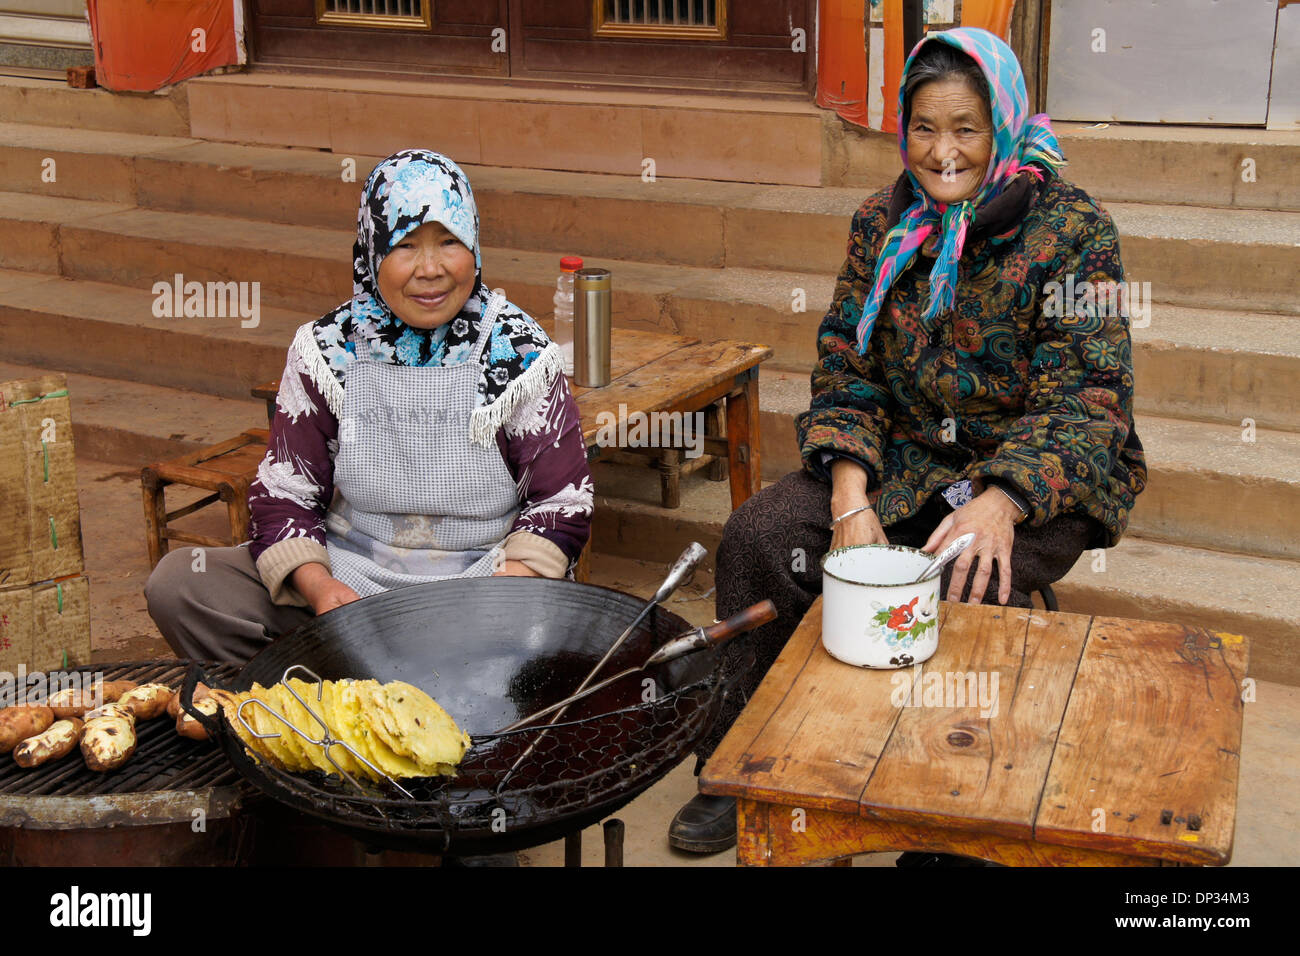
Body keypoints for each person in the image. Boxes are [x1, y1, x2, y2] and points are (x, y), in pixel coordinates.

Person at [668, 27, 1147, 856]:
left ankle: (942, 818)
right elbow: (847, 366)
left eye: (966, 127)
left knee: (960, 581)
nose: (943, 151)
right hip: (905, 460)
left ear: (1001, 125)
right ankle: (743, 767)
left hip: (1040, 481)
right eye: (924, 127)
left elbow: (1087, 396)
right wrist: (850, 496)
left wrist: (1000, 502)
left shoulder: (1071, 231)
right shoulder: (881, 222)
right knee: (760, 536)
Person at [147, 149, 594, 661]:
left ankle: (351, 683)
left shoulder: (520, 351)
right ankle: (347, 683)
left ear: (474, 243)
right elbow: (284, 495)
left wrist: (502, 591)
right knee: (181, 586)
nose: (431, 269)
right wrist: (321, 590)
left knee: (583, 643)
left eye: (449, 241)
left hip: (479, 587)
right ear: (371, 252)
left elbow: (561, 502)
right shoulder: (327, 349)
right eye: (405, 245)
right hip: (350, 583)